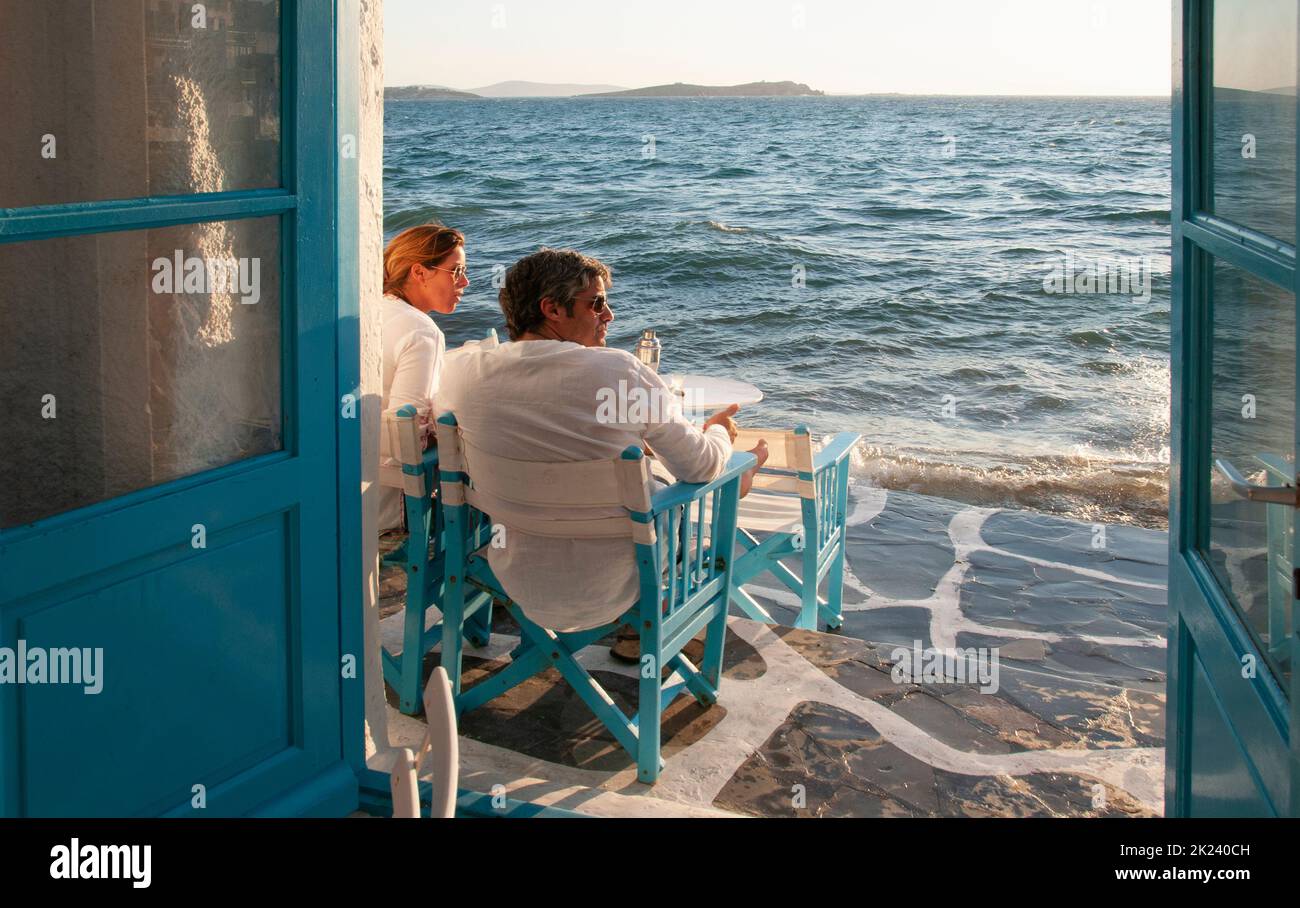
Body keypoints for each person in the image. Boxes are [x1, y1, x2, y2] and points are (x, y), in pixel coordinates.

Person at [438, 247, 767, 641]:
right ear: (552, 310)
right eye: (596, 304)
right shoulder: (618, 370)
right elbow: (701, 467)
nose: (609, 316)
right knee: (677, 485)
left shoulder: (460, 370)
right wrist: (717, 432)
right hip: (623, 580)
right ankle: (656, 622)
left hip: (517, 573)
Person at [379, 224, 469, 532]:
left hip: (347, 479)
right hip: (392, 502)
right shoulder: (421, 331)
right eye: (456, 271)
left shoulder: (369, 310)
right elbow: (407, 437)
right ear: (420, 272)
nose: (465, 282)